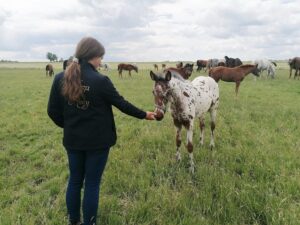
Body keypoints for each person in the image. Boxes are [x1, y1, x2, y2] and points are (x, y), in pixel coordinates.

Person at [47, 37, 156, 225]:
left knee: (74, 181)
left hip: (73, 141)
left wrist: (70, 127)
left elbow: (52, 111)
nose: (101, 62)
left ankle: (74, 221)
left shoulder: (59, 78)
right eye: (101, 57)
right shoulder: (100, 80)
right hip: (98, 143)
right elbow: (121, 104)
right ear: (93, 56)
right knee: (91, 184)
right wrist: (144, 114)